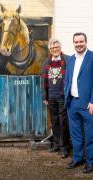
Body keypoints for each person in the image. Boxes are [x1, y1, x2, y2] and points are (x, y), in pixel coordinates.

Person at [65, 32, 93, 174]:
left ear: (86, 42)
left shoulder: (92, 57)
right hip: (72, 103)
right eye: (76, 42)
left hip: (87, 104)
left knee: (89, 134)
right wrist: (66, 97)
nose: (79, 44)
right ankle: (77, 158)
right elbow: (68, 80)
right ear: (73, 43)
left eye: (81, 41)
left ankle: (90, 162)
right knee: (75, 134)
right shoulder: (70, 59)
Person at [41, 38, 70, 158]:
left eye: (57, 47)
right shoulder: (46, 61)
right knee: (54, 121)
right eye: (52, 48)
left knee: (64, 122)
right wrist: (44, 96)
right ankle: (57, 144)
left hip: (63, 96)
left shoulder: (67, 59)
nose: (55, 49)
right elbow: (42, 80)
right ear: (50, 49)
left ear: (60, 47)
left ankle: (65, 147)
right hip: (51, 97)